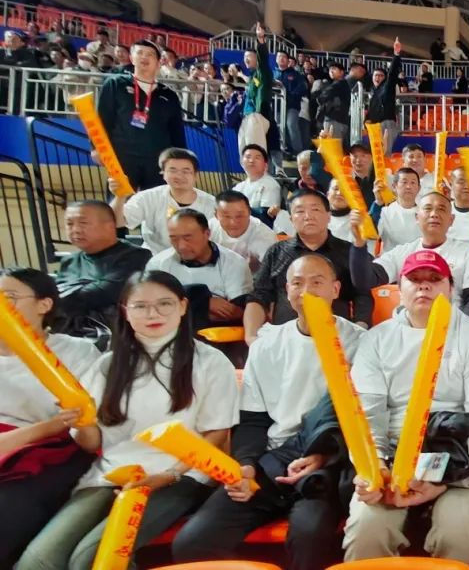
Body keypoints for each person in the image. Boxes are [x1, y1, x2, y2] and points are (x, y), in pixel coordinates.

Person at [15, 271, 239, 570]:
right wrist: (80, 423)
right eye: (140, 306)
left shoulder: (210, 362)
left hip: (179, 477)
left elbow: (217, 433)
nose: (153, 314)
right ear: (125, 311)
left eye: (164, 304)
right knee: (37, 561)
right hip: (111, 473)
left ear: (183, 306)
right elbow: (92, 442)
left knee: (90, 559)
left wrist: (170, 475)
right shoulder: (108, 365)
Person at [172, 255, 364, 570]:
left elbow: (359, 421)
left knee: (310, 534)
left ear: (335, 289)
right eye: (297, 283)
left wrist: (324, 456)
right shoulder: (267, 344)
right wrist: (246, 464)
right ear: (287, 291)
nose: (306, 291)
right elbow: (253, 418)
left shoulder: (360, 344)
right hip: (270, 459)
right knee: (193, 541)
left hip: (324, 463)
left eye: (317, 282)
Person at [343, 250, 469, 570]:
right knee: (367, 528)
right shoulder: (377, 339)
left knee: (459, 529)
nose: (424, 286)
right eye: (414, 280)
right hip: (392, 454)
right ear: (399, 288)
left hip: (460, 457)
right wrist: (375, 467)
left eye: (434, 279)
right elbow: (368, 416)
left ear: (450, 288)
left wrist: (437, 476)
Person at [0, 269, 102, 568]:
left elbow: (83, 421)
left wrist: (47, 428)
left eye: (9, 297)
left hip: (53, 450)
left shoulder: (77, 352)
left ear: (44, 305)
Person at [244, 189, 372, 345]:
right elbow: (259, 296)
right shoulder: (276, 252)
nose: (308, 216)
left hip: (336, 341)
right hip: (285, 342)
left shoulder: (350, 252)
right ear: (291, 219)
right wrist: (251, 336)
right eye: (300, 211)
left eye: (315, 209)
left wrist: (359, 331)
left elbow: (362, 295)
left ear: (329, 216)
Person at [349, 192, 469, 323]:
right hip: (408, 327)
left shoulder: (467, 252)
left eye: (441, 209)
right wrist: (359, 244)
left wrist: (461, 330)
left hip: (450, 326)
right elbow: (364, 280)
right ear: (417, 217)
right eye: (428, 209)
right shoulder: (402, 252)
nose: (434, 214)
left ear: (451, 220)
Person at [96, 40, 186, 190]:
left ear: (158, 63)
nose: (144, 57)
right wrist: (97, 148)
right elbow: (103, 118)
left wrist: (181, 158)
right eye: (140, 53)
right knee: (120, 199)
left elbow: (176, 130)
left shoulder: (169, 94)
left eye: (150, 54)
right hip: (122, 156)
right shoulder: (116, 84)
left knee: (154, 201)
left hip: (158, 159)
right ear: (132, 58)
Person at [54, 200, 151, 334]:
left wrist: (57, 299)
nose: (75, 229)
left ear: (110, 226)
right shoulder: (69, 261)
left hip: (117, 335)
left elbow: (105, 293)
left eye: (83, 223)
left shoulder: (136, 256)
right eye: (70, 224)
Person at [147, 209, 253, 329]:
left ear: (207, 234)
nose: (181, 246)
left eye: (188, 238)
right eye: (174, 238)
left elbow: (238, 313)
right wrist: (202, 303)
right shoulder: (158, 264)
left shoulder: (234, 263)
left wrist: (174, 306)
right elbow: (151, 307)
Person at [110, 147, 217, 254]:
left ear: (195, 175)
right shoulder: (147, 197)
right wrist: (120, 197)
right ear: (163, 173)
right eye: (173, 170)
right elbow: (117, 222)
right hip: (154, 258)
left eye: (186, 171)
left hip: (195, 257)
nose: (179, 176)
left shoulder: (211, 204)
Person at [210, 191, 279, 273]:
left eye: (239, 216)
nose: (233, 222)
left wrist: (258, 271)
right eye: (226, 216)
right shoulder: (209, 228)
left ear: (249, 212)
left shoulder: (265, 236)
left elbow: (275, 272)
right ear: (216, 215)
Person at [239, 22, 275, 155]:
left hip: (258, 117)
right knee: (245, 152)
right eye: (244, 57)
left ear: (257, 58)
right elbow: (253, 85)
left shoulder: (262, 72)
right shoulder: (253, 76)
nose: (245, 60)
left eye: (248, 56)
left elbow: (264, 59)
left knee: (256, 151)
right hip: (247, 117)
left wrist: (260, 40)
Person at [364, 37, 403, 155]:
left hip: (387, 124)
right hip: (375, 126)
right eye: (375, 75)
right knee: (376, 154)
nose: (377, 77)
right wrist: (367, 120)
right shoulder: (373, 92)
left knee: (385, 153)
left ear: (385, 78)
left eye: (381, 75)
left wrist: (396, 55)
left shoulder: (387, 87)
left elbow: (392, 73)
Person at [371, 167, 422, 252]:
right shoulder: (385, 212)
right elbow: (371, 233)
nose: (408, 186)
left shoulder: (425, 213)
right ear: (394, 187)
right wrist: (378, 202)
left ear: (419, 188)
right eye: (404, 182)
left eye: (413, 182)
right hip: (392, 259)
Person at [234, 144, 283, 228]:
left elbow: (265, 215)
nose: (251, 160)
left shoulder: (271, 184)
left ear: (265, 165)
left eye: (257, 158)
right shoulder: (238, 188)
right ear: (241, 163)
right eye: (248, 157)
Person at [275, 48, 307, 157]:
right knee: (279, 128)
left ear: (288, 60)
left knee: (291, 125)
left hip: (292, 106)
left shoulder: (295, 74)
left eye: (284, 57)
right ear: (276, 59)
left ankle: (298, 151)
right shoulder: (273, 74)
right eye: (279, 56)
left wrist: (291, 96)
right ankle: (283, 149)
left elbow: (303, 87)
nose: (281, 59)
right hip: (277, 107)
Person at [316, 62, 352, 140]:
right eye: (330, 70)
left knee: (332, 144)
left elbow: (322, 98)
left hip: (334, 120)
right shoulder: (342, 84)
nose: (331, 71)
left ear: (342, 72)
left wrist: (318, 96)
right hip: (339, 120)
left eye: (334, 69)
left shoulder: (338, 85)